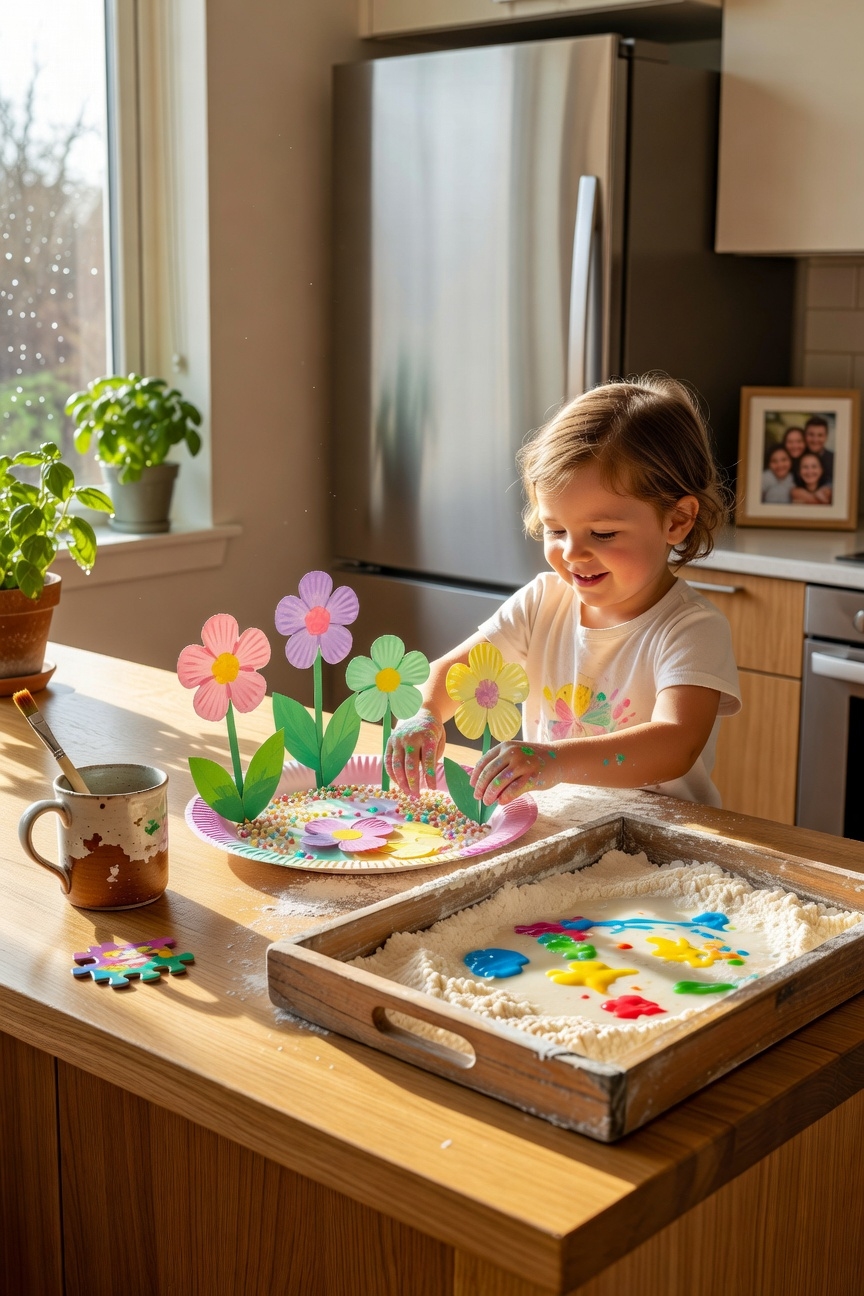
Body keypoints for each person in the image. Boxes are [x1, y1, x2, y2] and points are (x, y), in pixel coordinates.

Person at [385, 376, 741, 809]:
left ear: (677, 520)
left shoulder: (692, 629)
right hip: (559, 820)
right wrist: (425, 713)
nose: (572, 553)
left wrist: (553, 761)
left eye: (603, 533)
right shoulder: (542, 602)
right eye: (556, 530)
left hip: (661, 835)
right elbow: (454, 671)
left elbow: (676, 744)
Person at [803, 415, 834, 484]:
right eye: (811, 435)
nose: (815, 440)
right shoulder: (798, 457)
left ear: (826, 437)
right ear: (805, 435)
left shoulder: (834, 460)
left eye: (820, 435)